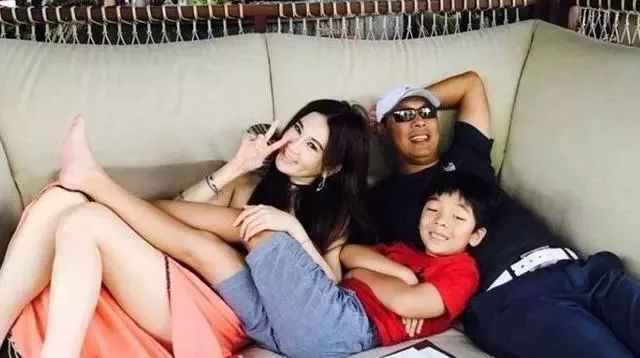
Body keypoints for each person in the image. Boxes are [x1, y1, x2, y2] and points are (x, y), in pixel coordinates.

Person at [0, 99, 372, 357]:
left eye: (311, 146)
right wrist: (235, 167)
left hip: (220, 314)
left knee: (85, 217)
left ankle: (93, 182)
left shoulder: (331, 215)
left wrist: (294, 230)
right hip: (178, 271)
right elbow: (174, 213)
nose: (293, 146)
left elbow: (330, 286)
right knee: (60, 201)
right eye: (297, 129)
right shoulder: (248, 185)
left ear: (331, 166)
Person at [369, 76, 640, 357]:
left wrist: (403, 102)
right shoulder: (381, 200)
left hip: (583, 271)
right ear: (383, 130)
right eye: (403, 116)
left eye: (427, 113)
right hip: (515, 298)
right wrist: (404, 283)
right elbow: (351, 254)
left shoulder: (465, 156)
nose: (419, 122)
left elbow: (471, 84)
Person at [341, 171, 488, 346]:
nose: (441, 221)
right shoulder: (402, 249)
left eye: (458, 217)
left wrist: (356, 273)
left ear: (475, 236)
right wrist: (402, 274)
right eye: (433, 209)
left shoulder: (463, 271)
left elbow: (404, 302)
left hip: (362, 320)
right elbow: (347, 253)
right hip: (340, 297)